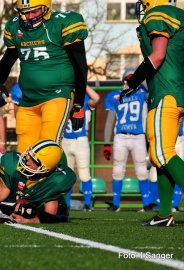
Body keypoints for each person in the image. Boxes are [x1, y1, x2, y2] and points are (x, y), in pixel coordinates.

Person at [0, 0, 88, 153]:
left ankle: (60, 177)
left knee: (47, 148)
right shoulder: (16, 26)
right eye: (25, 12)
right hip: (28, 99)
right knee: (25, 154)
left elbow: (80, 64)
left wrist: (78, 104)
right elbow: (8, 59)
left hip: (57, 95)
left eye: (34, 11)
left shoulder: (62, 24)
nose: (28, 17)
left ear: (46, 8)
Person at [122, 0, 184, 226]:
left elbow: (157, 55)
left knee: (161, 154)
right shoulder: (179, 16)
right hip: (176, 92)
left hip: (166, 93)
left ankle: (165, 212)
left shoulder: (158, 14)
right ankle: (164, 213)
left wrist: (133, 81)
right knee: (162, 156)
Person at [0, 139, 76, 224]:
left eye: (34, 160)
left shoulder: (56, 180)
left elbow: (49, 216)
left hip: (32, 209)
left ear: (46, 168)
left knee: (59, 214)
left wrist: (29, 220)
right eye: (29, 155)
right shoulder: (13, 167)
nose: (28, 162)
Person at [103, 69, 149, 212]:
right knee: (117, 170)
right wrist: (106, 143)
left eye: (131, 80)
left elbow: (152, 91)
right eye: (126, 79)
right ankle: (116, 204)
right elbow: (110, 121)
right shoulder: (115, 96)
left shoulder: (142, 94)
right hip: (121, 136)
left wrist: (140, 78)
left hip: (138, 135)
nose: (128, 82)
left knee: (142, 170)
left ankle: (146, 204)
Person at [62, 85, 100, 212]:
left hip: (80, 140)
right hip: (65, 140)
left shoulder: (84, 99)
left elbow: (96, 98)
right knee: (67, 175)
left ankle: (88, 204)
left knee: (84, 174)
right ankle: (66, 204)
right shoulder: (63, 99)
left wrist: (82, 83)